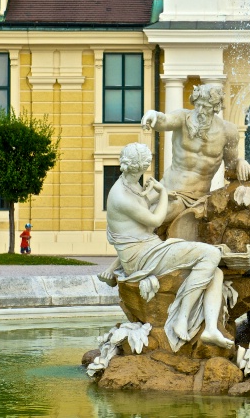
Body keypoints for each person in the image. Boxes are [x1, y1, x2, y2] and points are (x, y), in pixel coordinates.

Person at [97, 143, 233, 352]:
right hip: (143, 258)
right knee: (212, 253)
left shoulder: (132, 187)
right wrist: (162, 193)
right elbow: (155, 221)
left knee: (214, 272)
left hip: (150, 250)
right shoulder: (121, 196)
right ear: (142, 166)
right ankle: (182, 318)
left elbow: (133, 233)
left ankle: (211, 329)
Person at [141, 83, 250, 228]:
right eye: (197, 105)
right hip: (169, 186)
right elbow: (165, 121)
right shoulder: (183, 118)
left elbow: (230, 165)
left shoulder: (227, 131)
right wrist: (153, 115)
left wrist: (240, 162)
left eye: (205, 107)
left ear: (215, 107)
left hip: (197, 196)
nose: (200, 111)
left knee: (165, 212)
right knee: (141, 212)